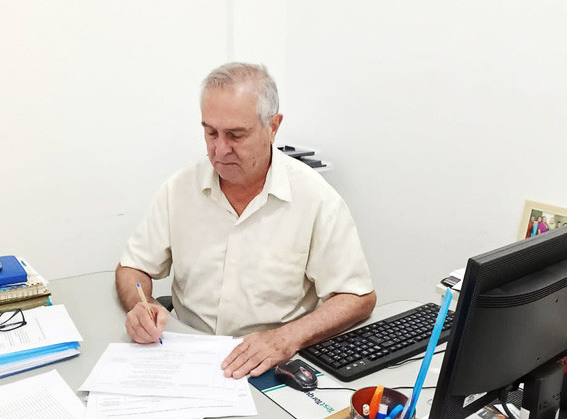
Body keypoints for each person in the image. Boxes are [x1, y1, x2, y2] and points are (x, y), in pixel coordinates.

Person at [115, 62, 376, 379]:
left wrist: (284, 339)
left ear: (273, 127)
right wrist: (141, 305)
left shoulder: (317, 199)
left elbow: (357, 297)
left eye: (236, 135)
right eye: (210, 132)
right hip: (185, 352)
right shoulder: (180, 189)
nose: (220, 149)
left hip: (271, 361)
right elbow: (133, 269)